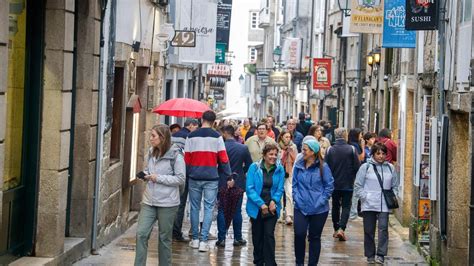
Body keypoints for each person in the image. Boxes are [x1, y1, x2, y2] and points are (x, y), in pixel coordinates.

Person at [135, 124, 185, 266]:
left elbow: (181, 179)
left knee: (164, 239)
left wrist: (158, 178)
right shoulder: (152, 152)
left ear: (162, 138)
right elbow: (148, 169)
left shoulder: (176, 155)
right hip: (149, 200)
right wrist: (145, 175)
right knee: (141, 234)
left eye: (153, 136)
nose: (150, 139)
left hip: (168, 203)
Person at [185, 110, 232, 252]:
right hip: (211, 177)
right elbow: (224, 158)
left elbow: (186, 159)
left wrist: (186, 175)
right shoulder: (217, 137)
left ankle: (194, 239)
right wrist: (229, 175)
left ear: (201, 119)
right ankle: (204, 241)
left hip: (194, 176)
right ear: (213, 121)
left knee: (194, 207)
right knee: (209, 208)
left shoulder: (191, 136)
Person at [354, 142, 399, 264]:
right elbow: (358, 185)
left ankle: (381, 254)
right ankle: (370, 255)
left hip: (384, 204)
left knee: (383, 229)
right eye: (378, 153)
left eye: (383, 153)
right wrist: (365, 197)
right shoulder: (365, 167)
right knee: (369, 230)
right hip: (369, 204)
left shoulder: (390, 168)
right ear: (373, 154)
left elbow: (395, 185)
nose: (381, 156)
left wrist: (393, 196)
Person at [292, 139, 334, 266]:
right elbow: (294, 185)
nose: (302, 152)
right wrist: (296, 198)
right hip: (300, 207)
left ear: (313, 151)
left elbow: (329, 186)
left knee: (314, 237)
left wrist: (321, 201)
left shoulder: (323, 167)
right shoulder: (299, 165)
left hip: (319, 209)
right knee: (299, 234)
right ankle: (299, 263)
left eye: (305, 149)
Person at [246, 143, 285, 266]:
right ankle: (258, 262)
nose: (273, 157)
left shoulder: (280, 169)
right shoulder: (254, 167)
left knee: (268, 235)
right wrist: (261, 205)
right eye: (270, 154)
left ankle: (270, 263)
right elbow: (249, 189)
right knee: (257, 237)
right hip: (257, 207)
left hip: (272, 207)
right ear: (264, 155)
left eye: (275, 154)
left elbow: (280, 189)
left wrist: (274, 200)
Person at [216, 125, 253, 247]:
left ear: (225, 133)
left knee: (222, 209)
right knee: (237, 211)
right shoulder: (243, 148)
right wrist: (240, 172)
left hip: (222, 181)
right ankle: (238, 238)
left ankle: (221, 239)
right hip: (238, 182)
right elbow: (249, 165)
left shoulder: (220, 148)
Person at [325, 128, 360, 241]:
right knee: (346, 206)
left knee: (335, 206)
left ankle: (336, 229)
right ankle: (342, 228)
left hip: (334, 184)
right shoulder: (351, 149)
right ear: (345, 136)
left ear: (335, 136)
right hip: (347, 184)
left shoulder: (330, 150)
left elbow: (326, 167)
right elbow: (357, 166)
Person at [170, 119, 199, 242]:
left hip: (170, 173)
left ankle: (168, 230)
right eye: (196, 127)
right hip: (184, 174)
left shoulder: (172, 136)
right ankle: (176, 232)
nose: (196, 129)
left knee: (171, 202)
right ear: (191, 125)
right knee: (180, 204)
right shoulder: (190, 137)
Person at [277, 129, 297, 225]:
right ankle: (279, 215)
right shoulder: (277, 147)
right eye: (286, 137)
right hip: (279, 172)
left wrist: (290, 152)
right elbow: (276, 160)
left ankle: (288, 215)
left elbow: (296, 160)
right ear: (281, 137)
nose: (288, 139)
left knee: (289, 193)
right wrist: (283, 153)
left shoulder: (293, 146)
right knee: (279, 194)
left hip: (290, 172)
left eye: (289, 137)